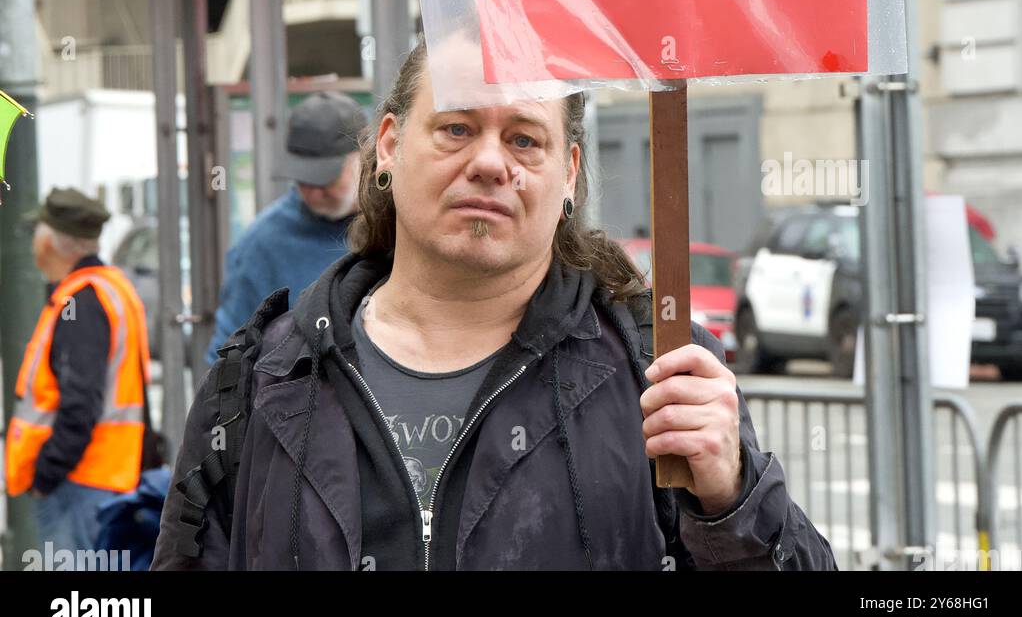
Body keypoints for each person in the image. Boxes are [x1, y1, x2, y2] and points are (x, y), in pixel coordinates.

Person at [154, 35, 836, 571]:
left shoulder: (659, 372)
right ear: (389, 146)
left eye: (523, 138)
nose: (489, 162)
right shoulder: (261, 380)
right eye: (455, 129)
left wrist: (734, 501)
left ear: (567, 173)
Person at [6, 188, 150, 554]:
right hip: (104, 475)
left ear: (50, 242)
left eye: (37, 231)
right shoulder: (110, 287)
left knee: (76, 607)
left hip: (78, 482)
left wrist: (47, 472)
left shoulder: (79, 300)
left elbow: (80, 401)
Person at [206, 91, 367, 362]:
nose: (314, 194)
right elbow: (227, 358)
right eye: (304, 180)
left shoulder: (405, 223)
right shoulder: (262, 245)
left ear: (365, 156)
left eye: (324, 179)